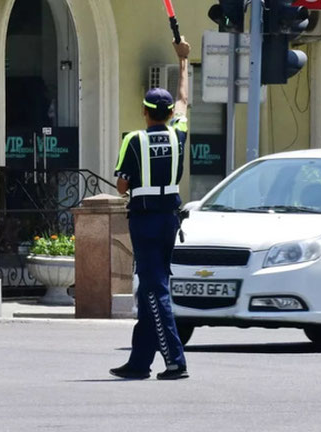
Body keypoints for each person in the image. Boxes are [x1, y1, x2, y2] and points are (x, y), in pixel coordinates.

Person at [109, 35, 191, 381]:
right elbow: (186, 100)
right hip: (170, 219)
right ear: (170, 113)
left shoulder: (134, 139)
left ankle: (175, 359)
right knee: (149, 288)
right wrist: (183, 60)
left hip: (143, 220)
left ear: (144, 111)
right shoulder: (178, 134)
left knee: (155, 287)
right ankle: (139, 362)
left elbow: (122, 185)